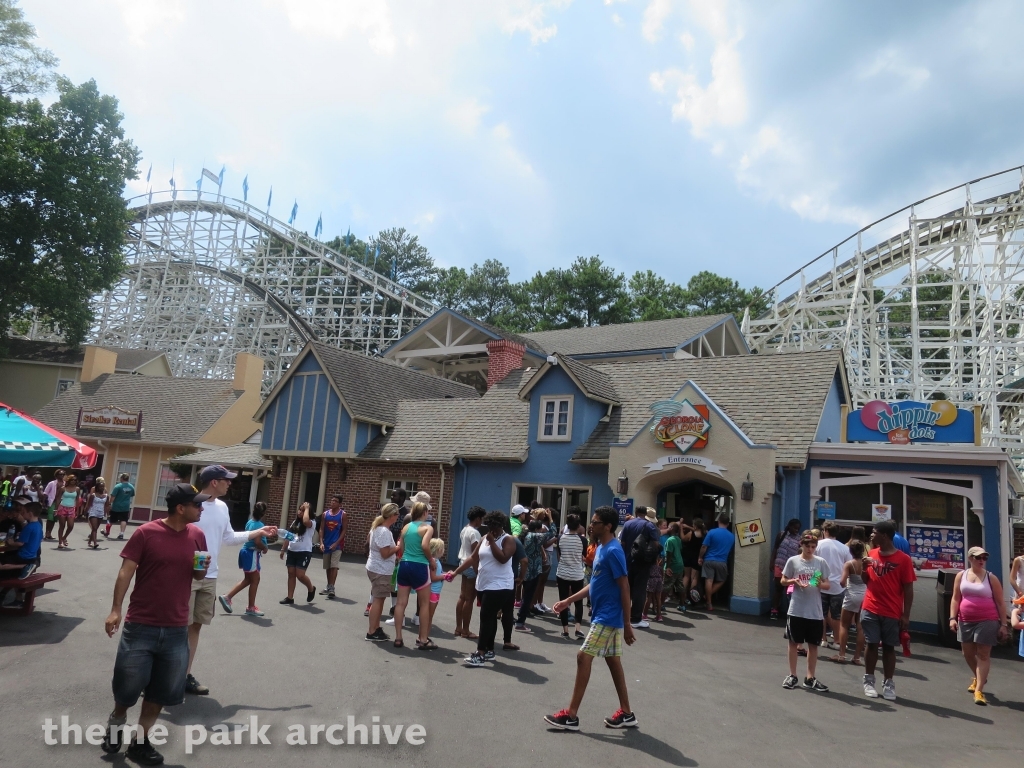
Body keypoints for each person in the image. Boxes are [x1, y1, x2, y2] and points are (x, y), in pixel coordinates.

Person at [100, 483, 210, 766]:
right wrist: (116, 609)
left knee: (159, 692)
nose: (201, 508)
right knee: (127, 687)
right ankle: (117, 719)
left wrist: (202, 568)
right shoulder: (145, 533)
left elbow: (198, 576)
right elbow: (125, 572)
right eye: (197, 504)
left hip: (175, 628)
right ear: (180, 508)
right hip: (141, 625)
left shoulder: (197, 535)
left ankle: (139, 742)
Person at [545, 505, 637, 731]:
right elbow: (594, 584)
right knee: (613, 661)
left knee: (583, 656)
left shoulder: (614, 551)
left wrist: (627, 623)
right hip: (603, 614)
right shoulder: (601, 548)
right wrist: (568, 600)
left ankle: (571, 716)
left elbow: (625, 588)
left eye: (595, 522)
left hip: (608, 616)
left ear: (607, 526)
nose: (591, 525)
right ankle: (626, 713)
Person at [188, 465, 275, 696]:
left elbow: (228, 537)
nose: (230, 484)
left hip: (210, 576)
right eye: (226, 480)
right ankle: (159, 677)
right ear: (214, 482)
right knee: (174, 627)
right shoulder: (191, 503)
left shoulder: (222, 507)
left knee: (195, 626)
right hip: (185, 575)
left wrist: (258, 532)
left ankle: (184, 675)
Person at [449, 511, 520, 667]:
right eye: (490, 526)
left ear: (501, 526)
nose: (492, 529)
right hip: (484, 584)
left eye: (495, 526)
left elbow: (502, 558)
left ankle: (480, 654)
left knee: (485, 617)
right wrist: (455, 572)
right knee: (490, 618)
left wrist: (493, 542)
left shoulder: (509, 540)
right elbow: (473, 558)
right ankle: (489, 650)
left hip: (500, 586)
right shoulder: (483, 539)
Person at [860, 520, 916, 701]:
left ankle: (888, 682)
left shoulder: (903, 559)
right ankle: (869, 680)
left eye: (874, 532)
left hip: (892, 610)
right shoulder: (872, 553)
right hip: (870, 607)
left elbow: (908, 588)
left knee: (890, 647)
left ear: (884, 536)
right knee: (872, 643)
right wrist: (863, 567)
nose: (871, 535)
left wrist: (906, 614)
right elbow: (866, 580)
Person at [949, 546, 1009, 705]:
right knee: (967, 653)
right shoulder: (961, 576)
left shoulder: (991, 578)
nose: (982, 560)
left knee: (983, 654)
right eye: (978, 558)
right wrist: (952, 618)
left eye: (984, 558)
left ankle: (979, 691)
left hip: (987, 620)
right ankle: (979, 676)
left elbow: (1000, 603)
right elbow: (956, 598)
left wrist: (1003, 624)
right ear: (970, 558)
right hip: (965, 620)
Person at [780, 530, 831, 691]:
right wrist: (793, 581)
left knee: (813, 645)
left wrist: (818, 584)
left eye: (813, 546)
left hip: (814, 610)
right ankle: (792, 675)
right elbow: (783, 580)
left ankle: (810, 677)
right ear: (801, 545)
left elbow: (827, 584)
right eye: (807, 546)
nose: (810, 549)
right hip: (796, 609)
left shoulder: (820, 562)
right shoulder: (793, 561)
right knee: (793, 642)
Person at [392, 501, 437, 650]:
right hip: (420, 566)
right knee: (424, 604)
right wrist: (431, 560)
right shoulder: (427, 528)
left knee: (400, 603)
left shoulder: (406, 527)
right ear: (424, 513)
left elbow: (402, 548)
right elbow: (425, 545)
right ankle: (422, 639)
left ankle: (398, 637)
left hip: (404, 564)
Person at [219, 502, 270, 617]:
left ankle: (228, 597)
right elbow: (257, 541)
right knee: (255, 580)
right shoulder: (259, 525)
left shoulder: (250, 522)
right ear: (263, 513)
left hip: (245, 551)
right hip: (251, 553)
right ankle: (250, 607)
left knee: (248, 579)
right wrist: (264, 547)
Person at [619, 506, 660, 628]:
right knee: (640, 590)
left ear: (636, 513)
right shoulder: (650, 526)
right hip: (643, 562)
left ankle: (623, 616)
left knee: (627, 589)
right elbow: (656, 544)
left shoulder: (628, 524)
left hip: (628, 561)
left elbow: (623, 543)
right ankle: (636, 619)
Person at [366, 504, 400, 642]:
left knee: (378, 599)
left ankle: (375, 627)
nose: (398, 517)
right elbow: (385, 553)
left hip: (376, 567)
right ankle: (371, 631)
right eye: (397, 514)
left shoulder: (378, 528)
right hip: (380, 569)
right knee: (378, 601)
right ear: (392, 516)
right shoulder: (384, 531)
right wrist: (398, 547)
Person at [0, 499, 43, 605]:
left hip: (25, 556)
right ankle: (16, 598)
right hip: (30, 556)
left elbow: (20, 543)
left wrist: (11, 542)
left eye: (23, 512)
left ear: (29, 513)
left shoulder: (28, 526)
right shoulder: (38, 526)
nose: (21, 514)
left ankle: (25, 566)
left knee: (2, 566)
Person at [815, 521, 851, 648]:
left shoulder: (818, 545)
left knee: (821, 614)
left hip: (820, 584)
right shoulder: (844, 548)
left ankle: (822, 638)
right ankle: (836, 641)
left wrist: (813, 583)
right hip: (837, 586)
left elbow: (813, 564)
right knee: (836, 616)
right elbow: (849, 566)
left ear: (826, 531)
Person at [831, 539, 867, 665]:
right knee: (861, 627)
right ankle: (857, 657)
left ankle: (842, 655)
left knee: (844, 625)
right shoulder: (866, 563)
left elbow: (842, 581)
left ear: (850, 551)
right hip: (865, 596)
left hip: (851, 595)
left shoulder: (849, 564)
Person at [455, 506, 485, 639]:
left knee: (462, 596)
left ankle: (458, 627)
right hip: (472, 566)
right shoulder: (475, 533)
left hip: (462, 563)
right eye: (481, 519)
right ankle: (466, 630)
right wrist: (479, 571)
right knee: (469, 599)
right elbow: (475, 554)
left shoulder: (465, 529)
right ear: (478, 518)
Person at [556, 513, 587, 640]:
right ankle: (578, 629)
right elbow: (584, 554)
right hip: (577, 574)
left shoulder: (560, 538)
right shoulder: (583, 540)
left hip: (562, 572)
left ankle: (565, 630)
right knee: (578, 603)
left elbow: (559, 553)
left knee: (563, 601)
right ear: (579, 526)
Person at [280, 501, 317, 604]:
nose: (300, 512)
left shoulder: (311, 523)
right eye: (300, 509)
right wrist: (283, 549)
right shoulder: (295, 522)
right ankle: (290, 597)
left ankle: (311, 588)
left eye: (303, 510)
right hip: (292, 551)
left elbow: (305, 521)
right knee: (291, 573)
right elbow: (289, 536)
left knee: (300, 575)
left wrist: (307, 508)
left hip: (304, 552)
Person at [514, 520, 548, 631]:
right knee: (527, 597)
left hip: (521, 568)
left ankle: (512, 617)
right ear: (537, 529)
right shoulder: (535, 536)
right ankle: (520, 622)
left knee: (517, 594)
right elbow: (551, 533)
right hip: (532, 570)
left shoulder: (524, 535)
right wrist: (550, 520)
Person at [698, 514, 735, 611]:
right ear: (728, 524)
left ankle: (709, 603)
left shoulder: (711, 532)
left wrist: (700, 557)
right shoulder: (732, 536)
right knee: (722, 580)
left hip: (709, 560)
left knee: (708, 580)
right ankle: (708, 596)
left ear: (718, 521)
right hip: (722, 561)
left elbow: (704, 547)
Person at [770, 518, 801, 620]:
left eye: (798, 528)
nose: (796, 530)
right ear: (790, 526)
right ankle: (774, 610)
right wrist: (771, 561)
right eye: (795, 528)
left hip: (791, 568)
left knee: (790, 590)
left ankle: (790, 612)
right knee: (778, 588)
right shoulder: (781, 535)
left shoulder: (799, 539)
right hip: (779, 564)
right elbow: (775, 548)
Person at [318, 494, 346, 599]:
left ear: (340, 503)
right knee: (328, 566)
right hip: (326, 543)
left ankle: (332, 587)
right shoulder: (325, 514)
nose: (333, 502)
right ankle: (328, 586)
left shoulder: (343, 514)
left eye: (335, 501)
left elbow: (344, 530)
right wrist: (321, 542)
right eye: (332, 500)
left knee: (334, 566)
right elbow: (321, 529)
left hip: (337, 545)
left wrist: (337, 542)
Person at [662, 523, 687, 612]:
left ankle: (660, 604)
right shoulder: (678, 539)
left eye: (668, 527)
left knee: (666, 585)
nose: (667, 529)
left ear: (672, 528)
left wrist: (667, 567)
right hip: (680, 564)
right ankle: (682, 605)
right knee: (680, 585)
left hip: (672, 565)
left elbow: (669, 554)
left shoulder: (669, 540)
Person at [105, 473, 136, 539]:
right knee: (124, 520)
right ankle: (121, 533)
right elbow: (132, 495)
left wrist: (110, 503)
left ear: (122, 478)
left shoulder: (118, 486)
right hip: (125, 506)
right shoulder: (131, 487)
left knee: (112, 519)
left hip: (116, 505)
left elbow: (113, 496)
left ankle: (107, 531)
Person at [683, 517, 705, 606]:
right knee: (694, 578)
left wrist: (682, 527)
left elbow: (683, 539)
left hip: (688, 556)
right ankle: (692, 597)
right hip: (697, 557)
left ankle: (683, 597)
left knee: (686, 576)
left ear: (695, 526)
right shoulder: (704, 534)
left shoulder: (690, 534)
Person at [84, 477, 110, 550]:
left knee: (95, 528)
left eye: (103, 486)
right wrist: (85, 512)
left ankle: (90, 541)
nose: (101, 488)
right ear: (97, 487)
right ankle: (95, 543)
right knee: (94, 528)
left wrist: (108, 514)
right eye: (100, 486)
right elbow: (88, 504)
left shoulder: (106, 496)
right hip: (93, 512)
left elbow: (107, 506)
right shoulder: (93, 495)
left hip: (100, 513)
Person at [55, 474, 80, 549]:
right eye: (72, 480)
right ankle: (60, 542)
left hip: (71, 508)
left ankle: (64, 537)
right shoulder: (63, 488)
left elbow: (77, 500)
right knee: (62, 525)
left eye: (75, 480)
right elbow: (58, 499)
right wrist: (56, 509)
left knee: (70, 526)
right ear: (68, 480)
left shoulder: (77, 489)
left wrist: (77, 510)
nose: (73, 481)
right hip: (63, 507)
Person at [427, 538, 448, 623]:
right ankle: (425, 634)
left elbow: (438, 573)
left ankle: (425, 634)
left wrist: (445, 574)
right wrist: (444, 576)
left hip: (435, 591)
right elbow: (433, 578)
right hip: (432, 591)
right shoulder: (434, 561)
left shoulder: (436, 560)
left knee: (430, 615)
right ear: (439, 549)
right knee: (429, 616)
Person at [42, 469, 64, 541]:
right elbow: (45, 493)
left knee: (54, 519)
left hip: (61, 503)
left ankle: (50, 533)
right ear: (56, 475)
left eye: (63, 474)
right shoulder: (52, 483)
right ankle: (47, 533)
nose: (62, 476)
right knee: (50, 518)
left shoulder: (65, 484)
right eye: (60, 474)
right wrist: (43, 502)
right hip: (52, 502)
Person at [644, 547, 665, 623]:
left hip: (651, 579)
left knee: (648, 597)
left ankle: (645, 614)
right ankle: (659, 615)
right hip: (659, 579)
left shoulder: (649, 565)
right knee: (658, 598)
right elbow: (662, 573)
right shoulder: (659, 566)